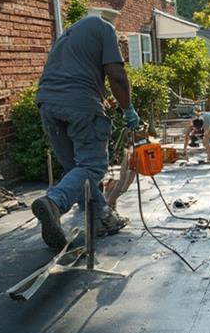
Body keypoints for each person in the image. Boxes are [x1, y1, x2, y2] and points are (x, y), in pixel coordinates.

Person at [30, 14, 141, 250]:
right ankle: (54, 202)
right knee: (92, 167)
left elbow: (76, 75)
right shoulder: (106, 29)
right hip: (79, 104)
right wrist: (128, 109)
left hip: (47, 105)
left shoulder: (69, 36)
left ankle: (101, 217)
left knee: (78, 170)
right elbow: (117, 76)